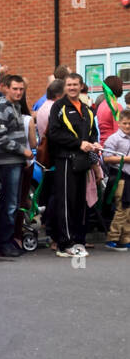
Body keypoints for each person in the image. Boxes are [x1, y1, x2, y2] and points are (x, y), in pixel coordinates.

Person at [46, 71, 99, 258]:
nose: (72, 88)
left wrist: (93, 143)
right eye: (69, 85)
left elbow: (91, 133)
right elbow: (53, 133)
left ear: (81, 86)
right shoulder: (58, 107)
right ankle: (64, 243)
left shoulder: (86, 109)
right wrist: (78, 143)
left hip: (82, 162)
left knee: (79, 203)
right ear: (64, 87)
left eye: (75, 85)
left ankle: (77, 240)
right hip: (65, 160)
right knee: (66, 202)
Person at [0, 74, 32, 258]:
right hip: (9, 161)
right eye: (15, 88)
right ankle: (3, 244)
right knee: (10, 203)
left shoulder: (15, 105)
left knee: (13, 203)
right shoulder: (1, 106)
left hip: (17, 161)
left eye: (21, 89)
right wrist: (22, 150)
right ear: (6, 88)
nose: (18, 92)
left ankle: (9, 241)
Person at [102, 108, 130, 250]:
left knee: (128, 210)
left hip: (129, 179)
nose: (127, 126)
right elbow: (106, 158)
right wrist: (125, 159)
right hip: (120, 178)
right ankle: (112, 238)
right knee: (122, 208)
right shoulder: (114, 139)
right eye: (125, 123)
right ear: (119, 123)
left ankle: (125, 238)